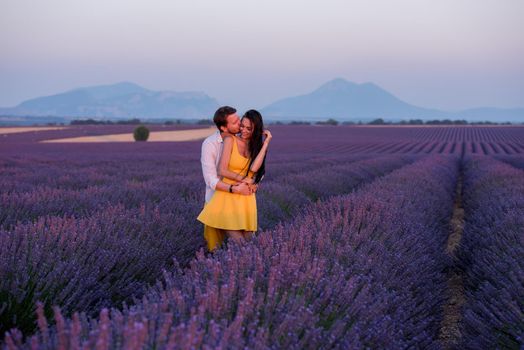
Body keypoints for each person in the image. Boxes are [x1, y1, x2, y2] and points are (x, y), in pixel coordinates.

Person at [198, 109, 272, 244]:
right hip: (226, 197)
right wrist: (242, 183)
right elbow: (219, 172)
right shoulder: (226, 140)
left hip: (246, 199)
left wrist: (265, 144)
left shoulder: (255, 145)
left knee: (250, 242)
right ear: (224, 127)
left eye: (247, 128)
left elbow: (256, 170)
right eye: (240, 125)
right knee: (239, 244)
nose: (241, 128)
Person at [200, 106, 253, 251]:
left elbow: (253, 170)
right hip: (217, 203)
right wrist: (234, 188)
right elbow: (210, 179)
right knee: (214, 251)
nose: (240, 124)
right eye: (235, 122)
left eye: (239, 119)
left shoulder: (244, 141)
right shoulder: (210, 144)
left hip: (241, 202)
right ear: (223, 127)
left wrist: (254, 183)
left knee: (247, 245)